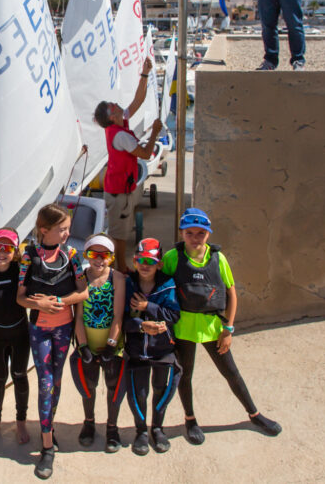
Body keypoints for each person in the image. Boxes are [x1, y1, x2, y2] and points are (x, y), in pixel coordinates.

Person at [162, 208, 281, 446]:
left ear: (208, 234)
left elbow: (231, 292)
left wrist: (229, 329)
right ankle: (190, 419)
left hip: (213, 327)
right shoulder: (172, 258)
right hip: (183, 328)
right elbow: (161, 290)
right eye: (190, 233)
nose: (195, 238)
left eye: (201, 234)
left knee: (231, 373)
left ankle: (254, 414)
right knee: (185, 376)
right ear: (182, 233)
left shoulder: (218, 258)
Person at [16, 204, 89, 480]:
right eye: (62, 229)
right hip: (40, 331)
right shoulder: (29, 256)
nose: (68, 233)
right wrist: (40, 304)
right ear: (45, 230)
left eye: (68, 228)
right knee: (45, 385)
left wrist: (59, 301)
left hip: (63, 330)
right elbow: (20, 297)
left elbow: (83, 292)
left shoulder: (71, 255)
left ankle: (48, 428)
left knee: (56, 383)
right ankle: (47, 448)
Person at [93, 56, 164, 272]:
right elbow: (144, 153)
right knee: (119, 234)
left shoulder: (116, 125)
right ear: (112, 116)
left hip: (119, 187)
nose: (117, 105)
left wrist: (144, 74)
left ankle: (119, 267)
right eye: (113, 106)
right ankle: (121, 269)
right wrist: (155, 132)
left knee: (120, 230)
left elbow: (138, 101)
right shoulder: (121, 136)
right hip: (119, 193)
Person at [68, 233, 128, 452]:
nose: (99, 260)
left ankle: (112, 428)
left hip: (112, 343)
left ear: (111, 258)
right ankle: (89, 422)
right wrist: (83, 347)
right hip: (88, 343)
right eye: (94, 254)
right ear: (87, 255)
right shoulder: (82, 278)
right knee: (88, 387)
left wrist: (112, 345)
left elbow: (118, 316)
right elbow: (79, 316)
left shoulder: (118, 278)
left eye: (105, 255)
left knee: (113, 387)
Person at [122, 238, 180, 455]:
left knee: (160, 388)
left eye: (150, 260)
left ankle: (157, 427)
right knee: (139, 391)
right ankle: (141, 431)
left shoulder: (168, 284)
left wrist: (149, 307)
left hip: (162, 349)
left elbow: (174, 315)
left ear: (159, 264)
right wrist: (140, 325)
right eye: (140, 260)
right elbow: (120, 318)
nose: (145, 265)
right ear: (134, 261)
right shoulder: (128, 284)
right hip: (137, 350)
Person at [0, 227, 31, 446]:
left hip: (20, 334)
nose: (2, 253)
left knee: (20, 375)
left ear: (15, 251)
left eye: (7, 248)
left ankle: (21, 421)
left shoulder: (20, 271)